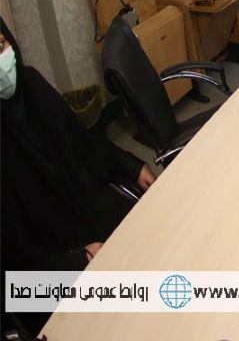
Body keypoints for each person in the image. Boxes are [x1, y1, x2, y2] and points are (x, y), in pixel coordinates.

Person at [1, 19, 156, 335]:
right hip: (44, 279)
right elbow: (12, 272)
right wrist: (75, 261)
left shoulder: (32, 85)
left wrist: (130, 166)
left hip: (88, 222)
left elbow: (83, 143)